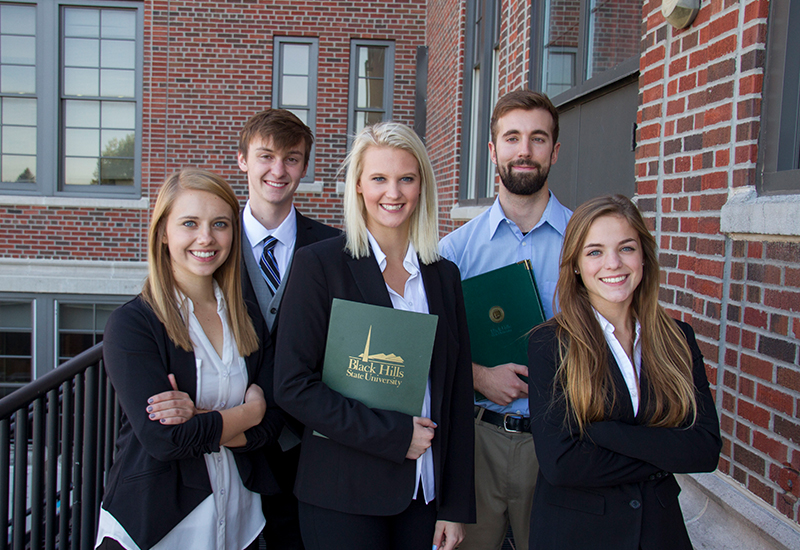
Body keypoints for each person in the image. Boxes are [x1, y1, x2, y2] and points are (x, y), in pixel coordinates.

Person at [273, 122, 475, 550]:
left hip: (425, 497)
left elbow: (456, 395)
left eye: (407, 178)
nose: (394, 193)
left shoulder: (444, 277)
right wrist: (393, 435)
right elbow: (292, 385)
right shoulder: (320, 266)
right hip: (343, 496)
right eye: (379, 179)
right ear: (359, 187)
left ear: (422, 186)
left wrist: (456, 506)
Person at [96, 169, 284, 550]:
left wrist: (202, 422)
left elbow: (274, 424)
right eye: (189, 223)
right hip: (155, 528)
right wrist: (248, 414)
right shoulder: (132, 324)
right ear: (163, 232)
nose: (206, 238)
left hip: (239, 522)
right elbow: (165, 440)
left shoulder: (246, 316)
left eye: (220, 224)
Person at [527, 194, 722, 549]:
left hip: (659, 530)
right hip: (578, 534)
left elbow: (704, 449)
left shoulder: (678, 338)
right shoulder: (549, 343)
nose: (613, 264)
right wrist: (662, 453)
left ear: (644, 256)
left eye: (626, 248)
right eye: (595, 251)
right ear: (575, 264)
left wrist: (604, 434)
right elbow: (562, 463)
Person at [438, 89, 571, 549]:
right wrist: (478, 376)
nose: (525, 150)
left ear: (554, 151)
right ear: (493, 151)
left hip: (564, 438)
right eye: (512, 138)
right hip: (480, 438)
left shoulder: (586, 243)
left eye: (538, 138)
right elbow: (436, 346)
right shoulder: (454, 252)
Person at [236, 109, 340, 549]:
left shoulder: (335, 247)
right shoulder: (212, 243)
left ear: (304, 166)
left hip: (308, 444)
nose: (278, 171)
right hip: (232, 438)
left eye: (292, 159)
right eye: (265, 156)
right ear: (242, 160)